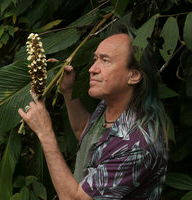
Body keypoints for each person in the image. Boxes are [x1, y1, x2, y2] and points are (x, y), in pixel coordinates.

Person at [18, 33, 168, 200]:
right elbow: (85, 132)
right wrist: (68, 91)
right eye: (95, 59)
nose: (92, 68)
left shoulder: (136, 146)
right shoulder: (112, 103)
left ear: (133, 75)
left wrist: (45, 134)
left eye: (105, 60)